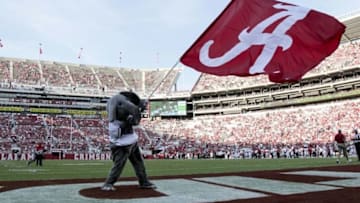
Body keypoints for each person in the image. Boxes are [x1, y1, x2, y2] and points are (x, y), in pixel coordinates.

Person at [101, 91, 156, 191]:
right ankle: (108, 183)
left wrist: (139, 109)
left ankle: (144, 182)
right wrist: (139, 111)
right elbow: (134, 121)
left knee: (138, 162)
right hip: (122, 143)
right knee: (119, 165)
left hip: (130, 140)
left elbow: (127, 118)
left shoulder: (114, 101)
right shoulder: (124, 107)